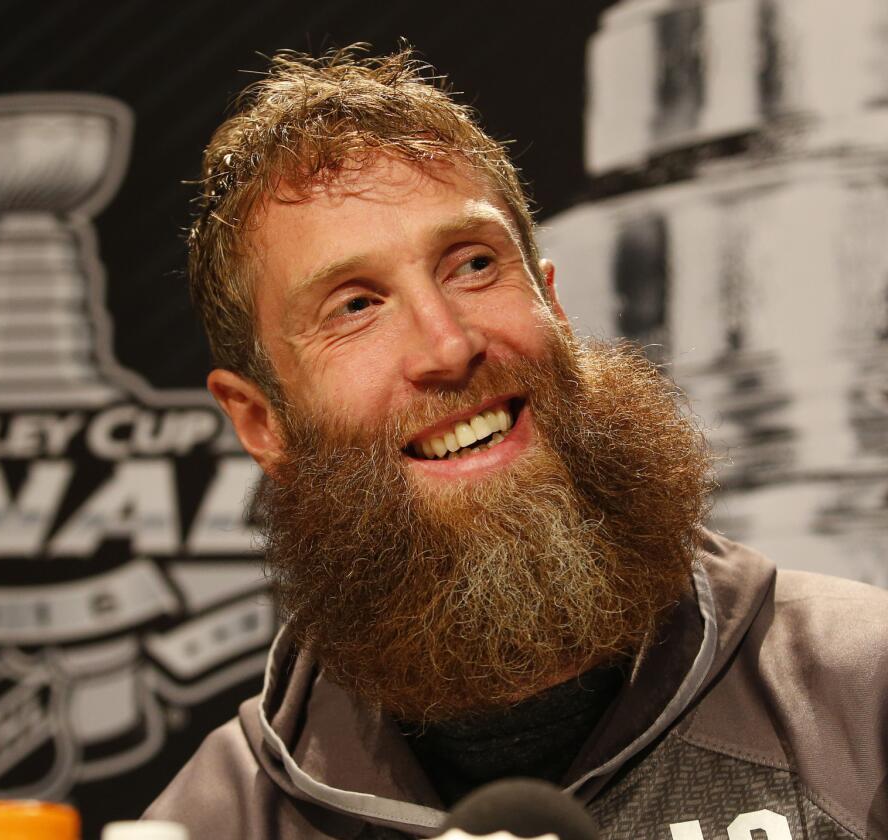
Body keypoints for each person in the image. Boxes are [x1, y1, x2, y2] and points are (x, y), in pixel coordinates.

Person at [144, 47, 888, 839]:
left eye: (472, 264)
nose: (448, 345)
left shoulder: (860, 694)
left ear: (554, 306)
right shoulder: (215, 821)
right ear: (261, 421)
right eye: (356, 305)